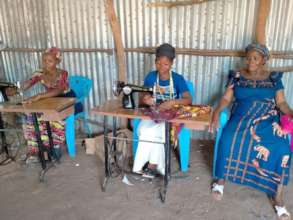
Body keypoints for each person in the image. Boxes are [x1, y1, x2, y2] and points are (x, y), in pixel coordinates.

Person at [210, 43, 293, 220]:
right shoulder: (237, 76)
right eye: (248, 58)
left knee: (283, 149)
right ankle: (221, 179)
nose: (250, 62)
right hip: (241, 115)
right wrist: (217, 111)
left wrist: (291, 114)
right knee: (228, 138)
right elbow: (226, 97)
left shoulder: (274, 78)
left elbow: (281, 103)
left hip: (267, 119)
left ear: (264, 60)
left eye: (255, 58)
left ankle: (277, 197)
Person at [132, 43, 192, 178]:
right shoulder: (151, 77)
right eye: (158, 63)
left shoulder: (177, 78)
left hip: (172, 116)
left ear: (171, 64)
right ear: (155, 62)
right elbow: (142, 96)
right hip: (153, 113)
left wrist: (172, 102)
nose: (161, 67)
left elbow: (188, 99)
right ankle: (146, 166)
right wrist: (146, 98)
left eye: (165, 64)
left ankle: (153, 166)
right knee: (142, 130)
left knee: (156, 131)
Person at [17, 47, 81, 161]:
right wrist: (19, 88)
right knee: (34, 116)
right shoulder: (39, 73)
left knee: (53, 117)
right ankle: (40, 146)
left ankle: (55, 145)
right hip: (51, 100)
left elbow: (60, 90)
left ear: (57, 62)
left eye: (50, 61)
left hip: (67, 100)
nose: (46, 64)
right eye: (44, 61)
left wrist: (39, 96)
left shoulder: (63, 73)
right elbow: (28, 83)